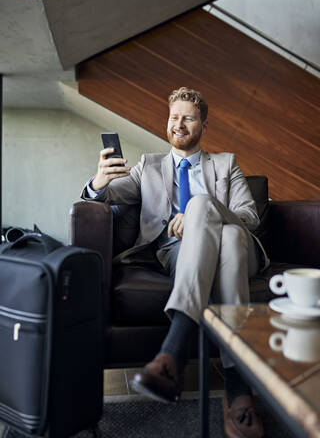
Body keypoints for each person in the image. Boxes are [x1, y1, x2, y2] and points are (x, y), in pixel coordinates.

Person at [82, 87, 268, 438]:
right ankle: (239, 390)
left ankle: (173, 351)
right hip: (175, 252)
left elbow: (249, 217)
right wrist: (98, 181)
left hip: (242, 250)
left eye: (188, 117)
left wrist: (204, 210)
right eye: (173, 117)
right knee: (222, 240)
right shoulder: (148, 166)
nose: (178, 123)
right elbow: (109, 193)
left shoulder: (226, 164)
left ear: (204, 125)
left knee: (219, 225)